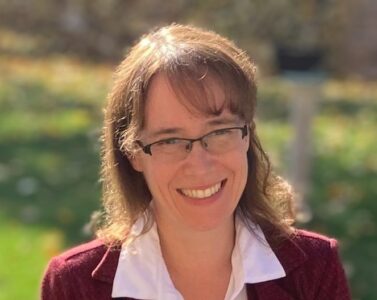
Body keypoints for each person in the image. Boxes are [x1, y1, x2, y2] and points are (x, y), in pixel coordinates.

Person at [41, 24, 351, 300]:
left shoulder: (314, 268)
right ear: (134, 153)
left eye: (219, 132)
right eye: (170, 140)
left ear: (246, 135)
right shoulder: (73, 285)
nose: (200, 164)